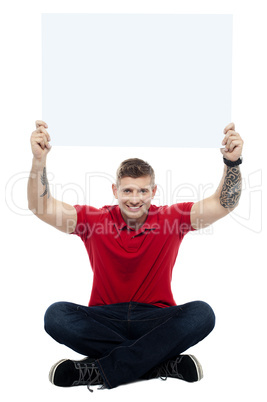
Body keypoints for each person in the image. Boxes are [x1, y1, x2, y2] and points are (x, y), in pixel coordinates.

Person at [27, 120, 243, 392]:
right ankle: (158, 363)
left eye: (142, 190)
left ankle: (99, 370)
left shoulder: (171, 218)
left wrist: (232, 163)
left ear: (153, 192)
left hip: (156, 321)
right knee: (56, 315)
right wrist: (38, 162)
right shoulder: (93, 220)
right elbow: (40, 206)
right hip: (103, 319)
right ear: (115, 191)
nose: (135, 198)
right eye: (127, 190)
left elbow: (224, 204)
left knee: (202, 314)